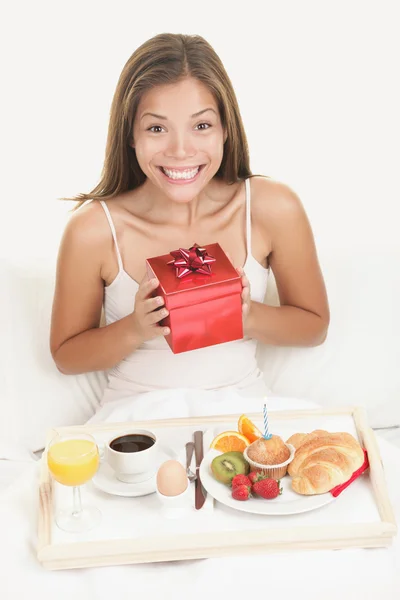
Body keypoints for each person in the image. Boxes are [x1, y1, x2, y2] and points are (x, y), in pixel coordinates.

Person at [50, 33, 329, 407]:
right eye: (156, 128)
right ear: (130, 135)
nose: (181, 151)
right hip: (137, 423)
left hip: (245, 416)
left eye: (201, 126)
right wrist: (136, 328)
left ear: (226, 129)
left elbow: (315, 326)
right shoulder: (92, 230)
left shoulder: (272, 207)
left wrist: (245, 315)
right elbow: (67, 357)